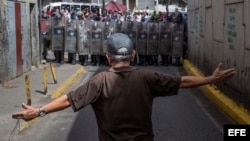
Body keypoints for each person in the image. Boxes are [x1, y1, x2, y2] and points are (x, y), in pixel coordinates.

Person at [12, 33, 236, 141]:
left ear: (108, 58)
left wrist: (39, 111)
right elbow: (183, 81)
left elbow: (67, 100)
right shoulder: (148, 77)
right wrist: (211, 79)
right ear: (134, 55)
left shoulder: (99, 81)